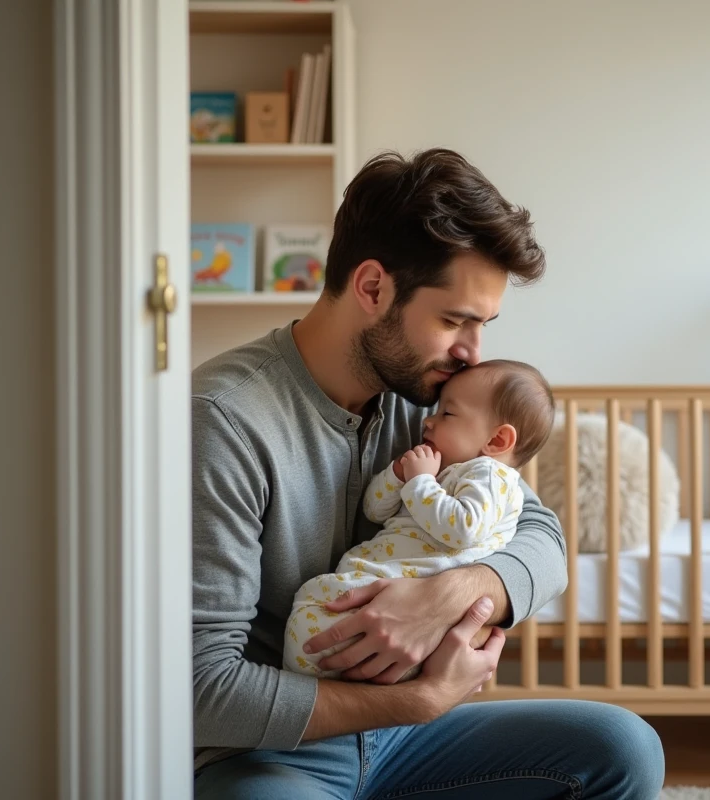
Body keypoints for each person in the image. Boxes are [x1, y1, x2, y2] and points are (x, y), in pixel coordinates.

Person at [192, 148, 665, 799]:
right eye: (454, 321)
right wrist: (417, 701)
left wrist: (465, 588)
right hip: (274, 751)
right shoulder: (225, 418)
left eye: (483, 325)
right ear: (372, 288)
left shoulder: (433, 401)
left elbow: (541, 535)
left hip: (404, 742)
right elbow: (201, 689)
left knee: (623, 749)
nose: (474, 353)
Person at [283, 360, 554, 680]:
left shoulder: (492, 476)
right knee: (312, 602)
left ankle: (321, 685)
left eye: (447, 414)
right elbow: (374, 510)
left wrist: (420, 482)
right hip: (387, 589)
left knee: (315, 610)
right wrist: (398, 477)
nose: (428, 421)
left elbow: (463, 529)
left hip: (405, 593)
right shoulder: (444, 470)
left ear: (496, 441)